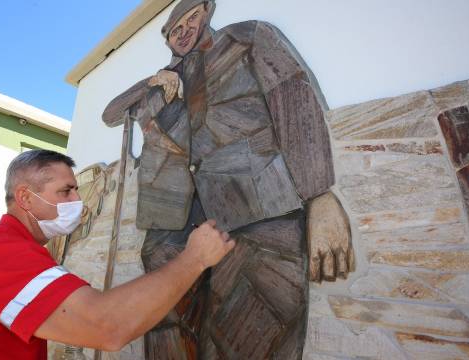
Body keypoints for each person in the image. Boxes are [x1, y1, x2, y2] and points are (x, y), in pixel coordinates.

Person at [102, 0, 354, 358]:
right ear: (167, 39)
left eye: (192, 18)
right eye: (176, 29)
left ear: (207, 12)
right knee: (167, 343)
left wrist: (320, 195)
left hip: (258, 219)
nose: (185, 30)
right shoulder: (159, 86)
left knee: (251, 340)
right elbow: (111, 114)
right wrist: (152, 80)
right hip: (170, 233)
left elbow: (294, 100)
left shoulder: (247, 38)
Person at [0, 149, 235, 360]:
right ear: (26, 198)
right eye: (66, 191)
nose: (79, 200)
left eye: (76, 189)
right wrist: (195, 258)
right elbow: (107, 326)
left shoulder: (4, 248)